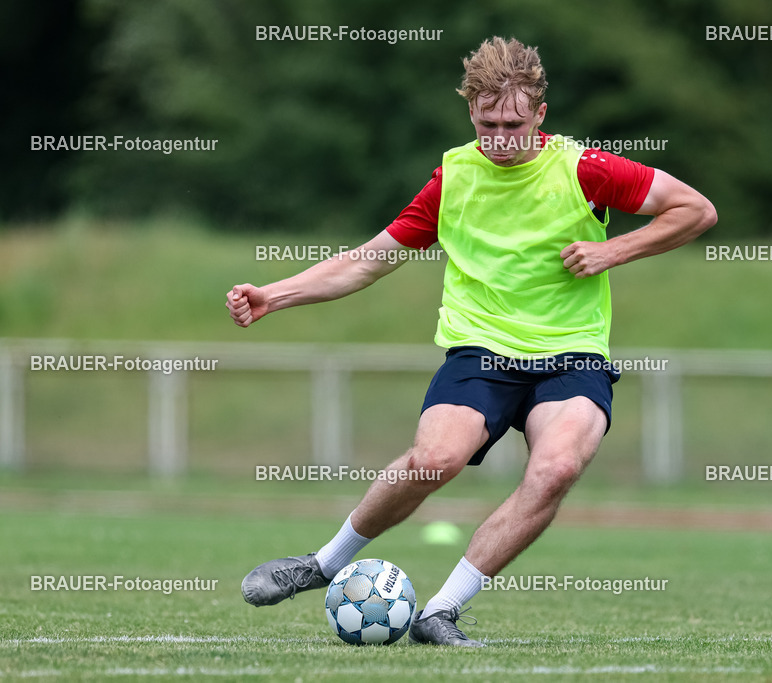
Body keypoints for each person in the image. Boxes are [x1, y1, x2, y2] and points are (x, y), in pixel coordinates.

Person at [225, 35, 716, 647]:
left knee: (557, 466)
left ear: (540, 113)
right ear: (471, 114)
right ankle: (322, 564)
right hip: (480, 351)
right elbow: (368, 261)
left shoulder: (585, 169)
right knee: (433, 461)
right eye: (488, 124)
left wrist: (612, 249)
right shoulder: (454, 177)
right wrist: (277, 294)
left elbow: (695, 210)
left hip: (572, 354)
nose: (501, 138)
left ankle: (441, 612)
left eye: (514, 122)